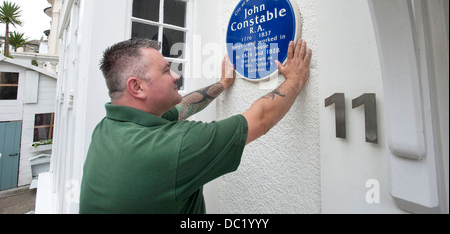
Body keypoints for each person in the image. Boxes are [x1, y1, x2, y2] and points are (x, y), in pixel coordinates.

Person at [79, 37, 311, 214]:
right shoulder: (174, 147)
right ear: (137, 87)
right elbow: (259, 119)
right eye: (165, 70)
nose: (175, 75)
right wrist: (295, 79)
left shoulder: (107, 127)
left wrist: (222, 84)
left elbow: (183, 109)